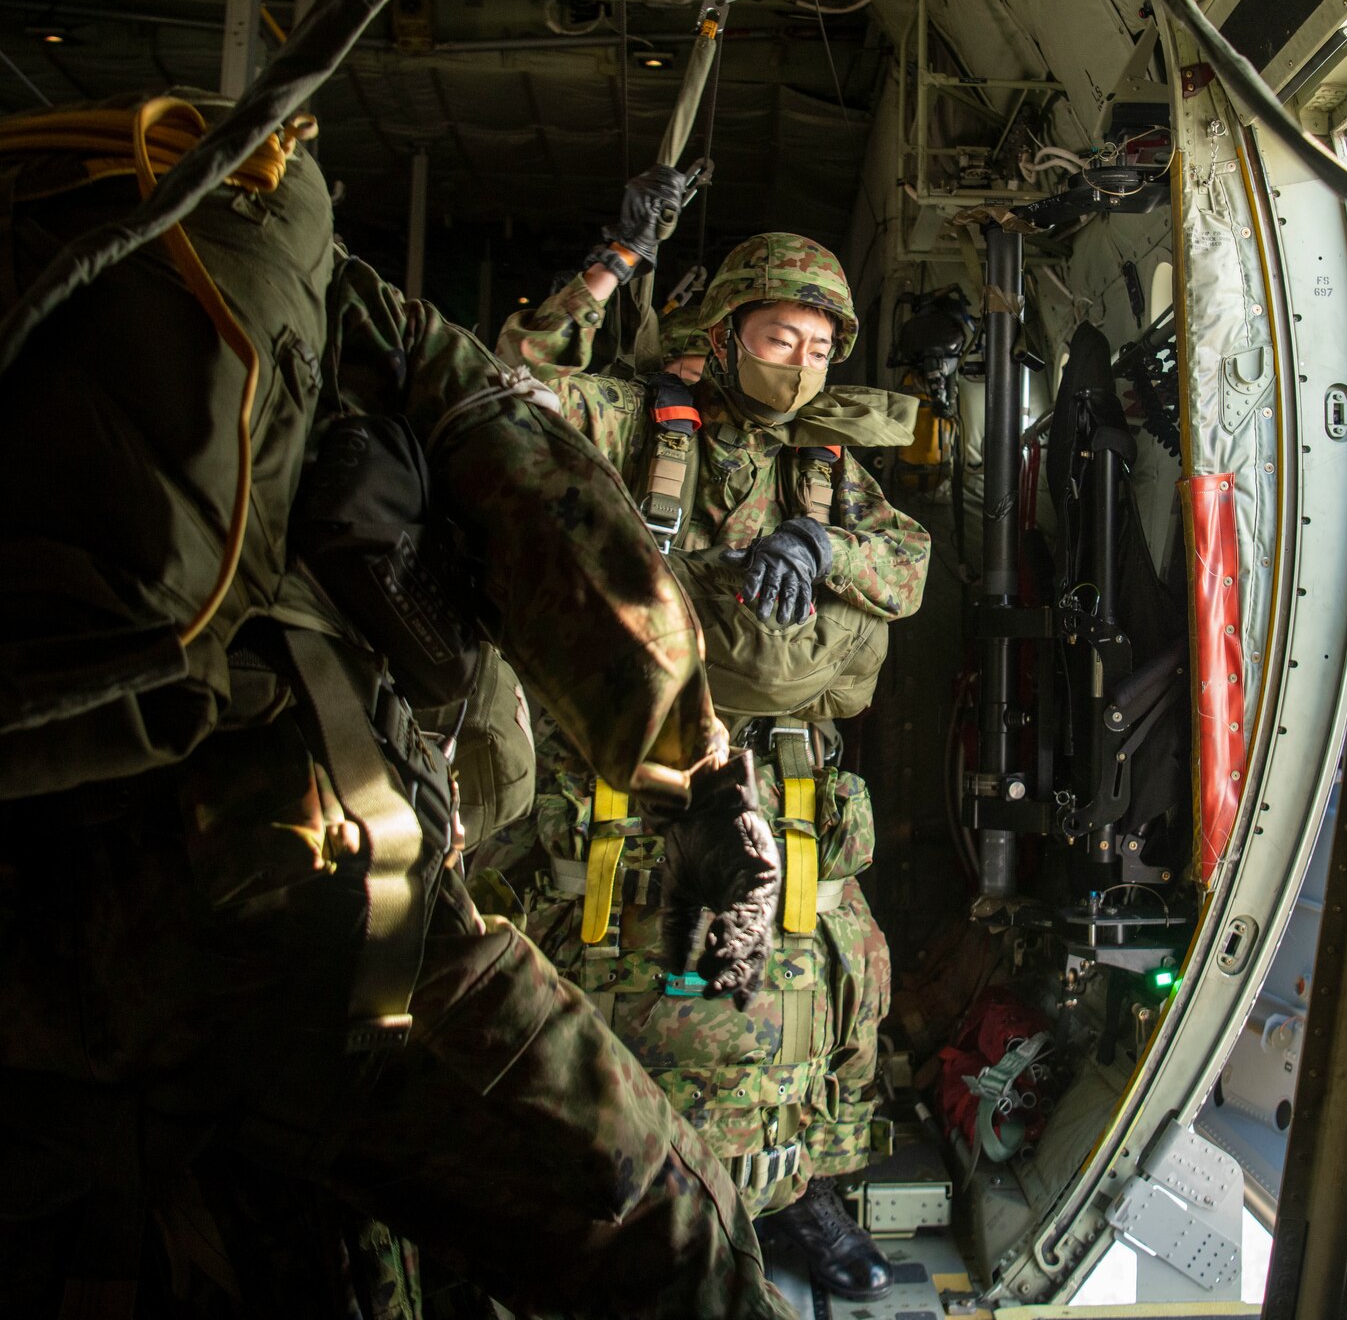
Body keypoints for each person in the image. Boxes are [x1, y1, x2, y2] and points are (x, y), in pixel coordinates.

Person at [0, 96, 789, 1318]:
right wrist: (690, 764)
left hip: (33, 913)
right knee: (664, 1229)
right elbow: (562, 523)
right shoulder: (332, 297)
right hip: (276, 876)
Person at [487, 207, 929, 1301]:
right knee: (647, 985)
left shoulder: (826, 467)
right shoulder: (641, 420)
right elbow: (520, 382)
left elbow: (907, 570)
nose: (801, 363)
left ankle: (795, 1198)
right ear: (727, 331)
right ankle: (622, 1199)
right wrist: (609, 264)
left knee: (828, 985)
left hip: (788, 776)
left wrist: (822, 541)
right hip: (639, 765)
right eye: (781, 336)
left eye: (822, 347)